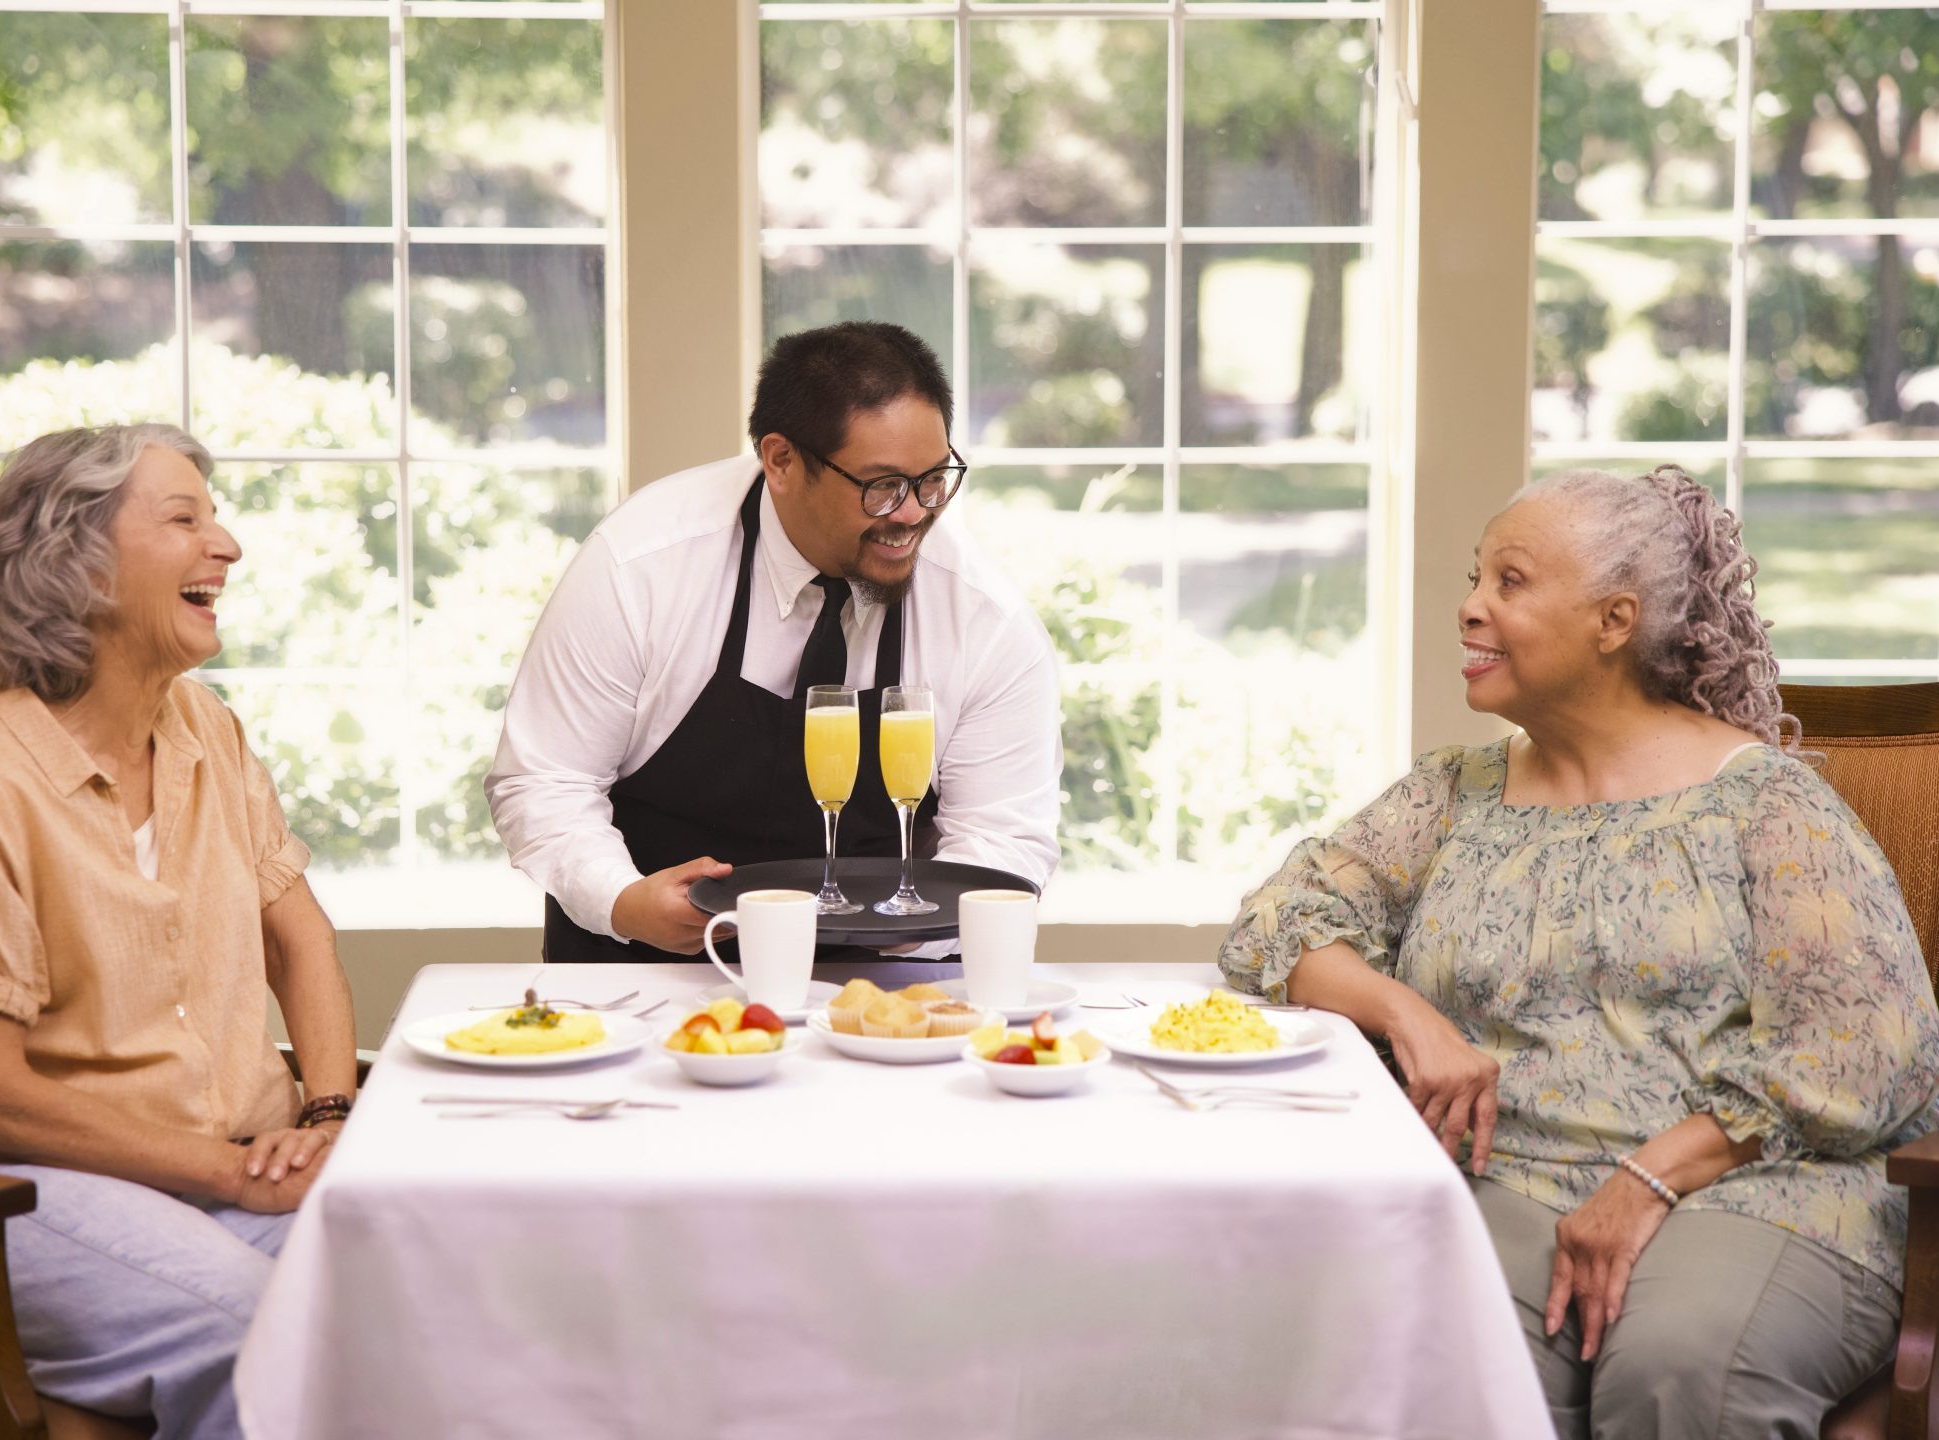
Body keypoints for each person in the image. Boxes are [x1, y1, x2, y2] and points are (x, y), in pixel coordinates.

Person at [1220, 465, 1938, 1438]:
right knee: (1412, 1349)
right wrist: (1410, 1017)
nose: (1469, 608)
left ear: (1614, 621)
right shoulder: (1455, 791)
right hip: (1508, 1180)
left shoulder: (1765, 801)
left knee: (1682, 1368)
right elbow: (1280, 919)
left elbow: (1866, 1045)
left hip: (1757, 1185)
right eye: (1476, 579)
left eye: (1509, 582)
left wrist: (1647, 1178)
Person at [0, 424, 359, 1440]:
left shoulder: (206, 731)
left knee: (423, 1286)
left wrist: (327, 1118)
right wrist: (232, 1173)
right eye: (184, 519)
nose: (225, 545)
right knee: (267, 1341)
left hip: (207, 1173)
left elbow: (298, 940)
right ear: (76, 564)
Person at [487, 321, 1062, 960]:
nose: (913, 514)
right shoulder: (642, 565)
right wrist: (622, 901)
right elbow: (544, 780)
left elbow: (1004, 839)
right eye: (882, 487)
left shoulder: (983, 617)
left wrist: (907, 935)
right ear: (781, 460)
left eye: (933, 480)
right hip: (642, 967)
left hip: (878, 985)